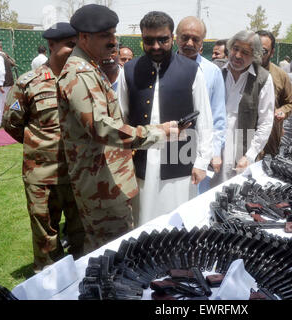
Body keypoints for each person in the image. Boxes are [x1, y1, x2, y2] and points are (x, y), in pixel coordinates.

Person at [57, 5, 179, 253]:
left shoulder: (90, 67)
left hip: (108, 181)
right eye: (105, 36)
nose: (113, 41)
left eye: (114, 34)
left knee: (106, 250)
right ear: (84, 37)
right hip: (101, 187)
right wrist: (157, 133)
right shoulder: (80, 74)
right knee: (111, 253)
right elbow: (102, 128)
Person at [2, 22, 85, 273]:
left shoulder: (85, 79)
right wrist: (38, 145)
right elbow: (11, 123)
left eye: (78, 45)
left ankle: (82, 277)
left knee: (81, 232)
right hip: (42, 176)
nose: (75, 50)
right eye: (70, 45)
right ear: (51, 45)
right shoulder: (29, 83)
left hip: (79, 174)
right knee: (45, 234)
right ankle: (49, 282)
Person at [117, 11, 213, 226]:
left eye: (163, 39)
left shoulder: (191, 70)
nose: (156, 46)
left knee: (177, 222)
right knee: (143, 221)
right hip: (141, 161)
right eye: (149, 41)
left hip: (180, 160)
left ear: (172, 37)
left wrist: (201, 162)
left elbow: (205, 120)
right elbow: (121, 118)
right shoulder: (129, 70)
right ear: (142, 40)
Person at [211, 30, 274, 185]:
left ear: (255, 56)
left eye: (245, 52)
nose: (238, 56)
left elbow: (266, 122)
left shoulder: (263, 79)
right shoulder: (217, 72)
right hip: (214, 147)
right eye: (235, 49)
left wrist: (250, 155)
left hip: (241, 150)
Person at [176, 16, 226, 194]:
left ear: (202, 42)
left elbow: (218, 116)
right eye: (184, 37)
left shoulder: (212, 72)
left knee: (196, 198)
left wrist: (214, 152)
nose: (189, 42)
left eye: (195, 39)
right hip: (170, 146)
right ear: (176, 38)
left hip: (200, 149)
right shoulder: (163, 68)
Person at [256, 30, 292, 157]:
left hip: (269, 139)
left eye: (263, 51)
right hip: (243, 136)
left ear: (272, 52)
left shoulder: (280, 75)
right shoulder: (241, 72)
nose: (257, 54)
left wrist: (282, 111)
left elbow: (290, 103)